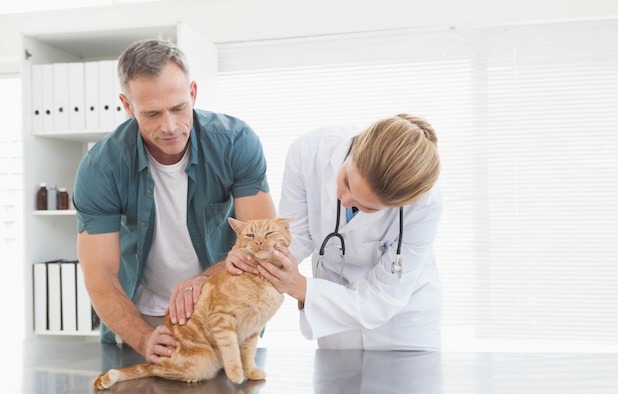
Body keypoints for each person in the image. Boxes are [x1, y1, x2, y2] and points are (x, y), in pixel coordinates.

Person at [73, 39, 275, 364]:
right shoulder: (101, 168)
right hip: (144, 318)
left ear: (193, 93)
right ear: (127, 106)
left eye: (179, 108)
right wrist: (143, 338)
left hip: (223, 307)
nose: (169, 127)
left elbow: (264, 247)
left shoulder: (236, 143)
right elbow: (101, 276)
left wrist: (204, 281)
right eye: (151, 114)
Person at [229, 114, 442, 350]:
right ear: (355, 150)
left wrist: (299, 286)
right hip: (335, 321)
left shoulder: (425, 204)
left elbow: (383, 297)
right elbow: (298, 235)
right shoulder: (308, 153)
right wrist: (259, 259)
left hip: (401, 324)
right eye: (347, 182)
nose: (345, 200)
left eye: (367, 207)